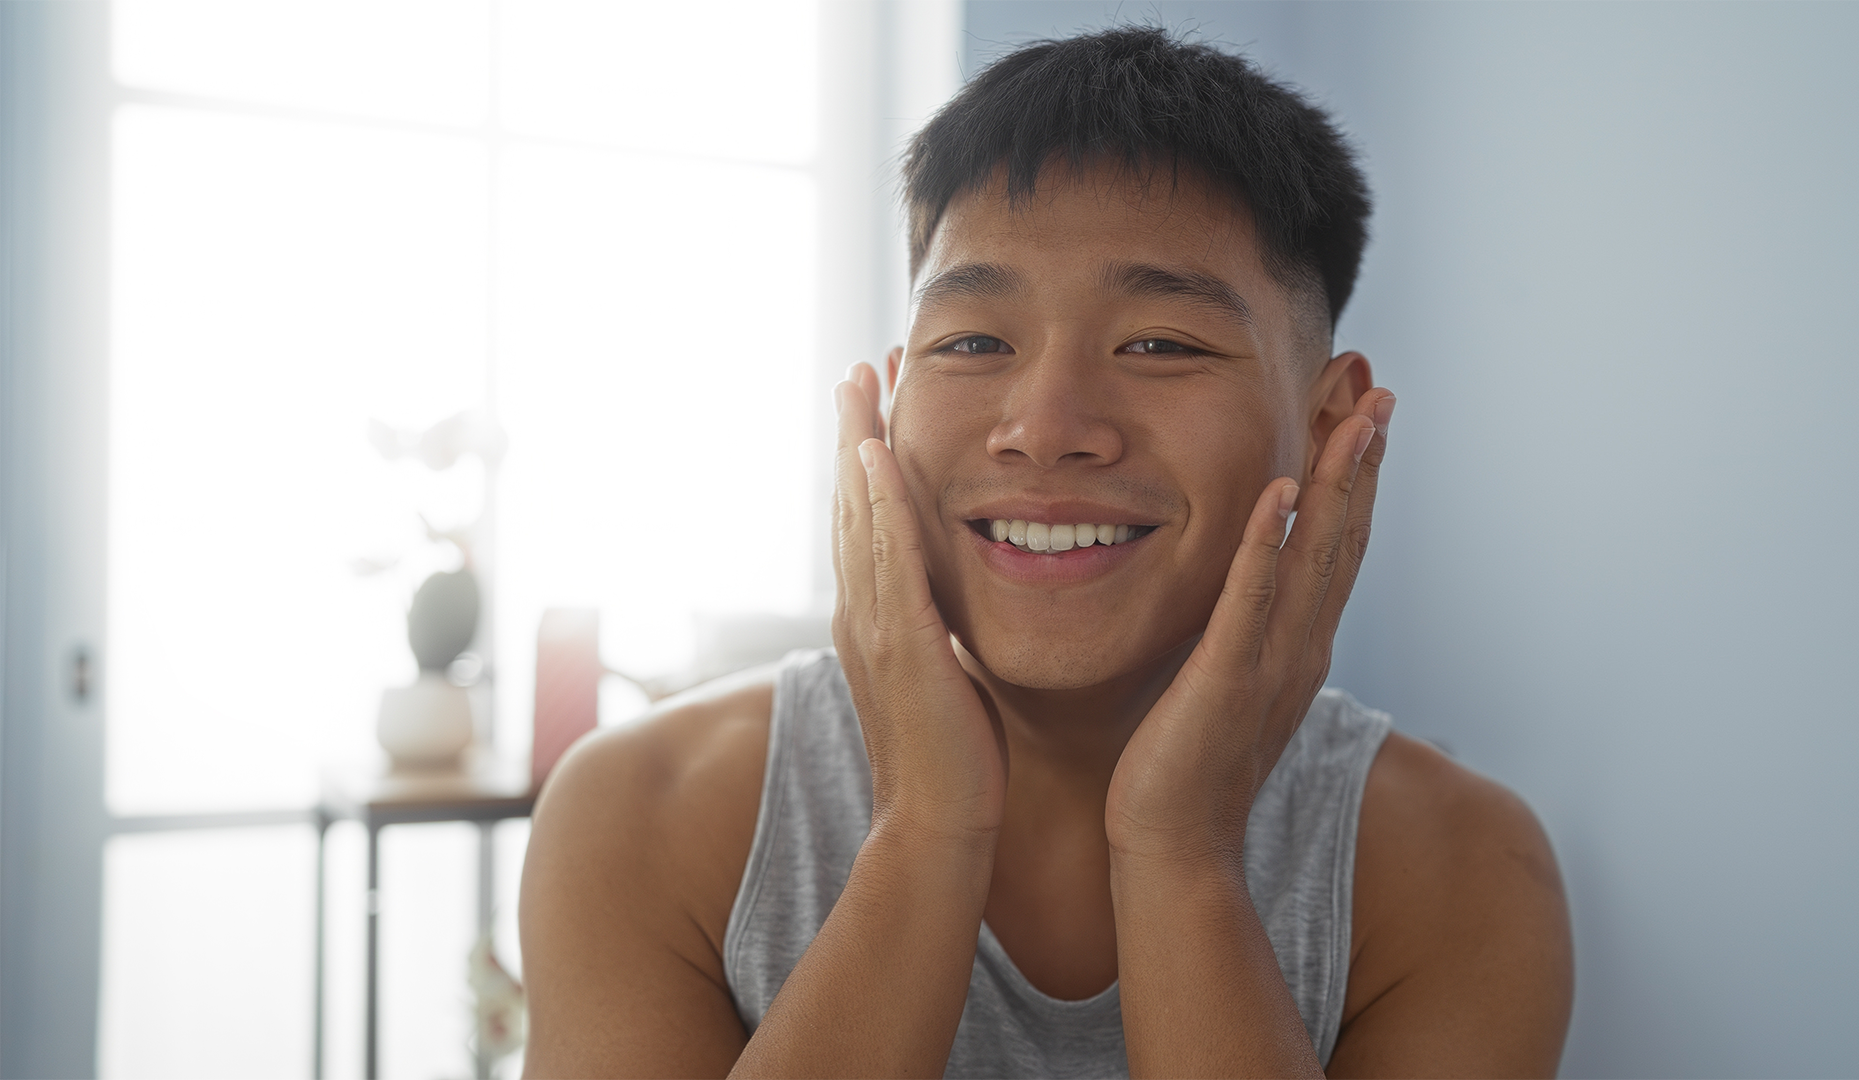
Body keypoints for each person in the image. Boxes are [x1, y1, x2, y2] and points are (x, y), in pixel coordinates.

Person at [520, 26, 1572, 1079]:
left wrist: (1180, 855)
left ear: (1331, 419)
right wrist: (926, 833)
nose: (1046, 424)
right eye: (973, 341)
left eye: (1159, 343)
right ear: (888, 406)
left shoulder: (1466, 870)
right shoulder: (640, 816)